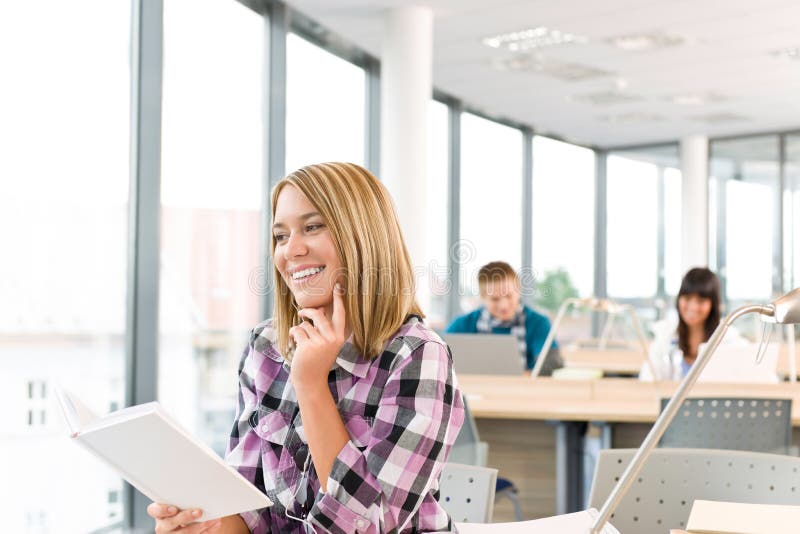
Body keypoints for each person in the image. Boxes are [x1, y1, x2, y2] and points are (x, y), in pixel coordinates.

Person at [147, 162, 465, 533]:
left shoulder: (417, 356)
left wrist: (311, 385)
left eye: (312, 227)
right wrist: (204, 525)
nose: (291, 250)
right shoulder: (265, 346)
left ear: (363, 236)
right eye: (280, 236)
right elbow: (251, 511)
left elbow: (369, 526)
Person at [445, 261, 562, 375]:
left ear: (518, 291)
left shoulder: (538, 323)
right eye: (495, 299)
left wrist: (521, 378)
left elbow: (551, 362)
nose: (503, 305)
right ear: (483, 297)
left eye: (509, 296)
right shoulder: (462, 325)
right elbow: (439, 355)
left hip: (524, 391)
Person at [646, 267, 725, 380]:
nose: (693, 307)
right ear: (679, 300)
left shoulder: (727, 340)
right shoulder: (665, 335)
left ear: (713, 304)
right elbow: (648, 378)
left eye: (701, 301)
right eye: (687, 299)